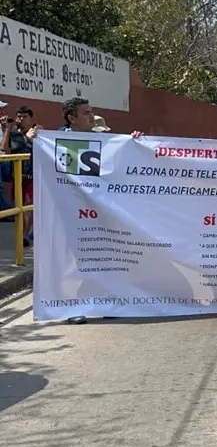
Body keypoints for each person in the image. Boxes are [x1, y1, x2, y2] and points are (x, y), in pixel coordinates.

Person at [59, 97, 143, 324]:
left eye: (91, 111)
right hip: (69, 212)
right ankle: (71, 307)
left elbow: (120, 162)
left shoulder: (102, 139)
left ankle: (106, 302)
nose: (91, 116)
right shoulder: (54, 140)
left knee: (103, 256)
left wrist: (134, 143)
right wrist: (33, 140)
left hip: (98, 210)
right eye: (86, 113)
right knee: (72, 262)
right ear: (71, 118)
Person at [1, 106, 38, 245]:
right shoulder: (14, 132)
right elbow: (3, 149)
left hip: (31, 175)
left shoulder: (36, 130)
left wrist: (28, 138)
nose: (21, 120)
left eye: (24, 117)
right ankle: (21, 233)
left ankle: (24, 235)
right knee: (19, 207)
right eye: (19, 117)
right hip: (17, 174)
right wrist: (6, 130)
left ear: (31, 118)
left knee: (28, 205)